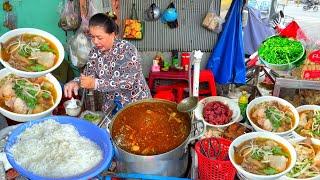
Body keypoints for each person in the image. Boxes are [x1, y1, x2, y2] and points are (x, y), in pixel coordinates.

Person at [64, 13, 151, 113]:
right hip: (111, 105)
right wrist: (77, 82)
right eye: (92, 37)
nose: (95, 42)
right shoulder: (94, 52)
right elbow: (89, 75)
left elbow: (128, 82)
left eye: (99, 38)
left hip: (135, 103)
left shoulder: (127, 50)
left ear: (113, 34)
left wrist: (95, 84)